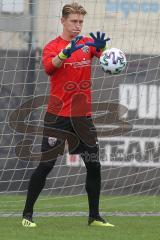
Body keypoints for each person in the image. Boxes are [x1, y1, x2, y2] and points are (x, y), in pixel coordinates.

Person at [22, 2, 114, 228]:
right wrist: (65, 52)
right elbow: (49, 68)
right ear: (62, 20)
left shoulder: (87, 44)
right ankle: (27, 215)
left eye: (81, 21)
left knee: (94, 165)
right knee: (46, 165)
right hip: (57, 117)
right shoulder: (53, 46)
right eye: (73, 21)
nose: (77, 25)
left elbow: (107, 63)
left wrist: (103, 51)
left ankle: (94, 216)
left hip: (83, 118)